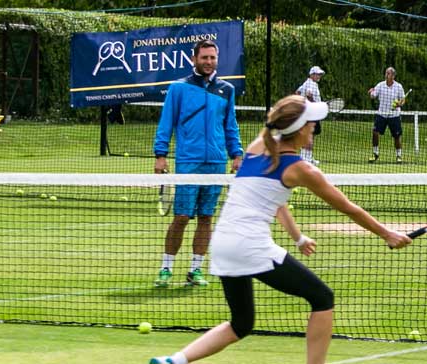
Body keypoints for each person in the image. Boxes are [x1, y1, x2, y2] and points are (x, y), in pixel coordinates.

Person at [148, 95, 412, 364]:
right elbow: (347, 207)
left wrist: (297, 237)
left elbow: (274, 201)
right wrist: (387, 234)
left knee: (241, 323)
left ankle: (175, 361)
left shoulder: (257, 147)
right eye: (310, 123)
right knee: (322, 297)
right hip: (250, 245)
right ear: (298, 129)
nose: (314, 127)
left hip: (223, 244)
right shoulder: (301, 169)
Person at [153, 39, 244, 288]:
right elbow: (166, 123)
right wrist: (160, 155)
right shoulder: (178, 88)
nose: (208, 62)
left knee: (206, 217)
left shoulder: (226, 90)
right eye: (204, 57)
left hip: (216, 163)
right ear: (194, 59)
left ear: (217, 59)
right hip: (188, 162)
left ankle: (195, 270)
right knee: (181, 216)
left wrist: (236, 154)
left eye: (212, 58)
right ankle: (166, 268)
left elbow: (230, 125)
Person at [367, 67, 405, 163]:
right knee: (375, 132)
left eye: (388, 73)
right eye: (386, 73)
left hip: (394, 115)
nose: (386, 75)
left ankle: (399, 156)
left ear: (393, 76)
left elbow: (403, 100)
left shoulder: (399, 86)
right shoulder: (380, 85)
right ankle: (375, 154)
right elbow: (373, 95)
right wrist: (371, 92)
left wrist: (399, 104)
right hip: (382, 114)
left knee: (397, 136)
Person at [295, 66, 325, 166]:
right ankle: (305, 159)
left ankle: (308, 157)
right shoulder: (310, 84)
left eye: (320, 74)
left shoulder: (307, 83)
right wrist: (314, 105)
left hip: (310, 113)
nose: (319, 76)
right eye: (317, 74)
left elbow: (298, 92)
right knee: (309, 136)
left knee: (311, 135)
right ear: (311, 74)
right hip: (311, 113)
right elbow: (308, 94)